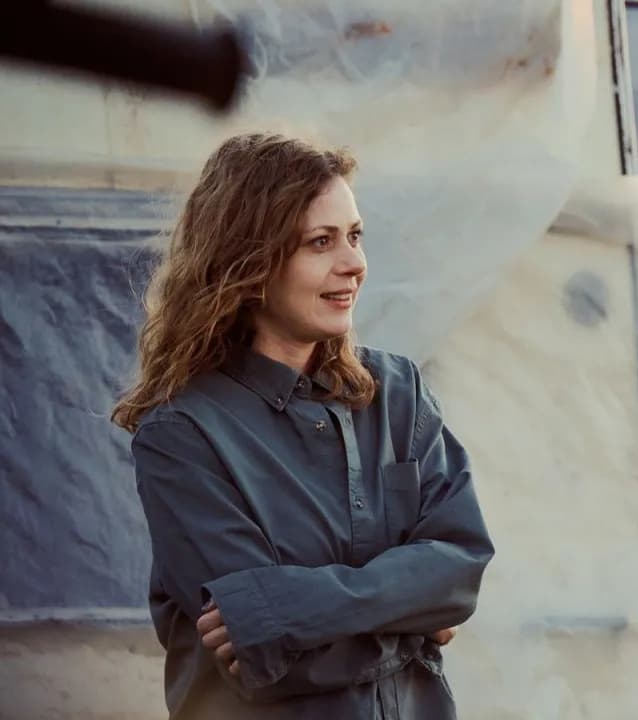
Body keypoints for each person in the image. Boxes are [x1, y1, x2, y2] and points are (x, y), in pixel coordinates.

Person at [112, 132, 494, 719]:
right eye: (321, 242)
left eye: (355, 236)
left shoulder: (398, 393)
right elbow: (267, 661)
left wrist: (295, 609)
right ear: (250, 263)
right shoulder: (181, 437)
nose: (354, 264)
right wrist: (413, 615)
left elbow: (462, 565)